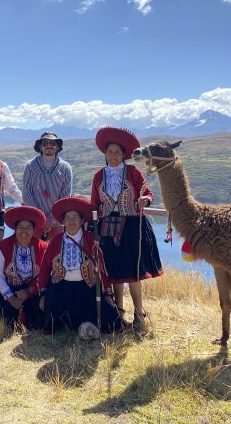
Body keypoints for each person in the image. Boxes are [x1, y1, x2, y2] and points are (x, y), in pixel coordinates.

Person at [90, 127, 163, 329]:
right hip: (108, 228)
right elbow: (95, 203)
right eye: (110, 152)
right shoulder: (98, 176)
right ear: (105, 154)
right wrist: (91, 226)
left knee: (133, 273)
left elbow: (148, 193)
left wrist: (145, 199)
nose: (113, 156)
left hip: (131, 225)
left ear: (124, 155)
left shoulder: (133, 172)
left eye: (117, 152)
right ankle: (118, 316)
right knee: (115, 274)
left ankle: (139, 314)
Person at [38, 197, 126, 338]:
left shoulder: (91, 239)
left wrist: (108, 294)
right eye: (67, 218)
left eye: (75, 218)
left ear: (82, 220)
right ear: (63, 221)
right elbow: (45, 267)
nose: (71, 222)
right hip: (61, 287)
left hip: (86, 287)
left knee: (110, 316)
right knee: (51, 308)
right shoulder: (56, 240)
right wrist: (43, 293)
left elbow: (101, 268)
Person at [0, 206, 48, 329]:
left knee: (38, 320)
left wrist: (28, 291)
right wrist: (11, 298)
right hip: (7, 290)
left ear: (33, 230)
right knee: (5, 319)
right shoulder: (4, 246)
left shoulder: (43, 247)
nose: (24, 231)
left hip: (32, 291)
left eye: (28, 228)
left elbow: (46, 273)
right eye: (20, 227)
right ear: (15, 229)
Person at [22, 131, 73, 240]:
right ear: (40, 147)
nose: (49, 146)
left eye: (53, 143)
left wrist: (50, 219)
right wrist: (41, 218)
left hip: (57, 223)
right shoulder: (30, 166)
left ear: (57, 147)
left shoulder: (65, 168)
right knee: (35, 254)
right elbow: (26, 193)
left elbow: (64, 197)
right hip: (35, 221)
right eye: (45, 143)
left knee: (56, 254)